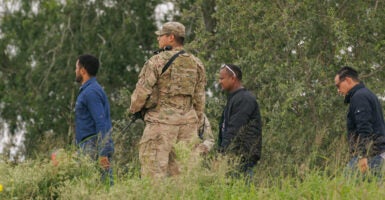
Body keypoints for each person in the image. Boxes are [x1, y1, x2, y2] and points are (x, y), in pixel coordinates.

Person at [129, 21, 206, 178]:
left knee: (153, 177)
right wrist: (195, 122)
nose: (158, 39)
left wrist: (134, 110)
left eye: (161, 36)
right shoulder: (196, 63)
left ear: (171, 37)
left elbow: (141, 94)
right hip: (188, 127)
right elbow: (199, 99)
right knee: (183, 178)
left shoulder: (156, 61)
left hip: (160, 126)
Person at [334, 66, 385, 177]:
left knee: (346, 185)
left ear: (348, 80)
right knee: (370, 191)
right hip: (377, 154)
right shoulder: (365, 94)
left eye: (338, 85)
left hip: (371, 155)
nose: (338, 90)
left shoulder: (359, 97)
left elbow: (364, 128)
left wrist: (363, 156)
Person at [75, 54, 114, 185]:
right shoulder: (89, 90)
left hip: (92, 147)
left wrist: (103, 153)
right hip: (87, 146)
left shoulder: (91, 92)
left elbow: (101, 122)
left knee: (100, 187)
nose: (75, 71)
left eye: (76, 67)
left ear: (82, 70)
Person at [218, 64, 262, 177]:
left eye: (222, 78)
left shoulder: (244, 99)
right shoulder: (235, 98)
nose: (219, 82)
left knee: (240, 191)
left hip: (241, 157)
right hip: (234, 157)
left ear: (233, 78)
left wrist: (222, 153)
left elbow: (234, 129)